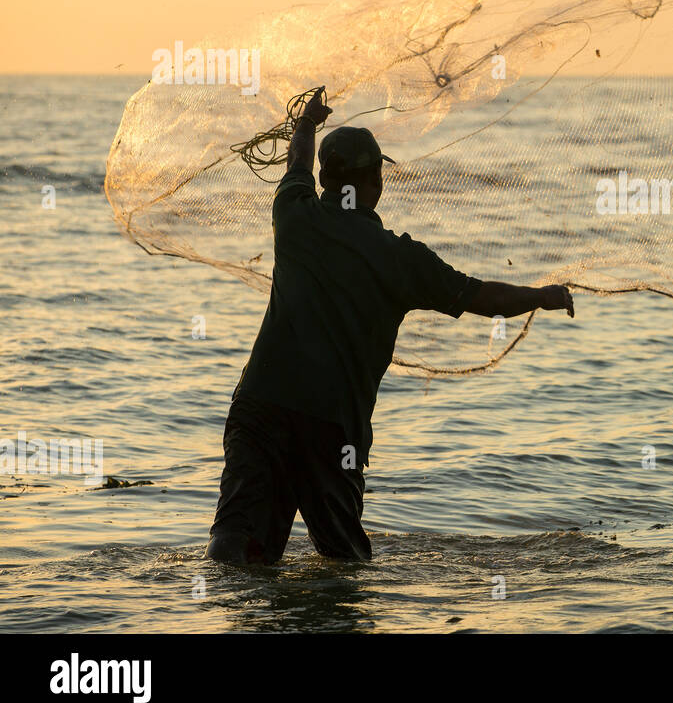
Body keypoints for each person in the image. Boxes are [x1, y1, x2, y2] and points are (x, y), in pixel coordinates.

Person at [205, 87, 573, 564]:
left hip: (260, 409)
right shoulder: (401, 260)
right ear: (376, 181)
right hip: (330, 428)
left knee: (236, 545)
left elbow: (295, 160)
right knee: (344, 562)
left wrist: (309, 123)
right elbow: (482, 297)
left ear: (325, 179)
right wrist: (542, 296)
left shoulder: (292, 214)